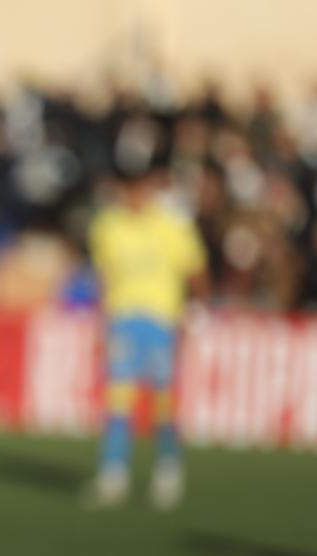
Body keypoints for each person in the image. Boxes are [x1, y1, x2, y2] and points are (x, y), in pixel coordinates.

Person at [85, 120, 208, 510]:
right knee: (118, 401)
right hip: (123, 318)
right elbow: (104, 276)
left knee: (162, 402)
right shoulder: (107, 225)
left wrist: (195, 311)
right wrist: (102, 321)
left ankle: (169, 470)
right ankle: (113, 475)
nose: (133, 194)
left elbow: (196, 271)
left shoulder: (172, 225)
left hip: (161, 321)